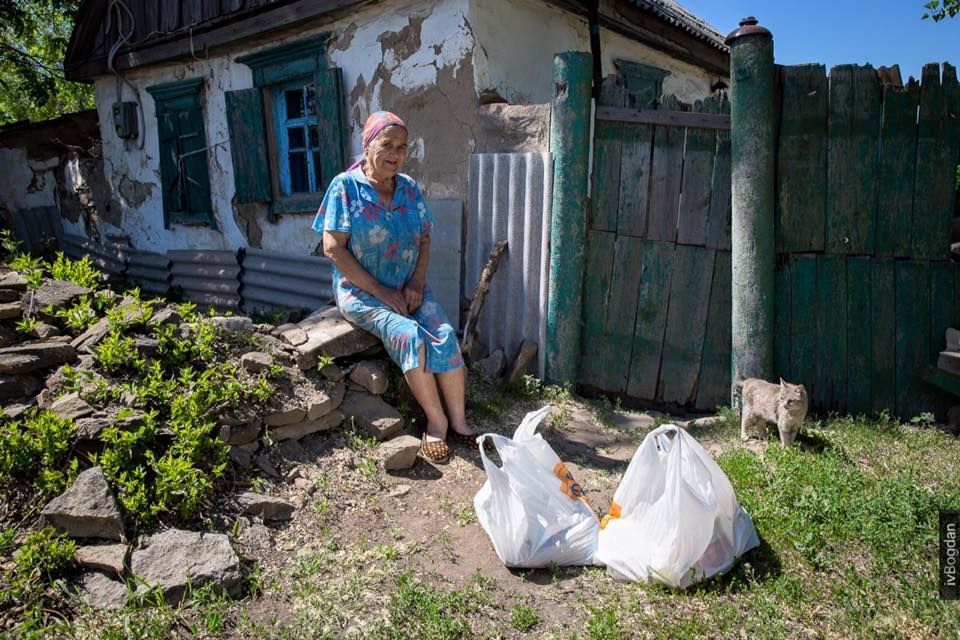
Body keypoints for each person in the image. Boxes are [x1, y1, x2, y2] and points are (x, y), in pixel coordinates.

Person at [313, 111, 475, 464]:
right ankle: (436, 422)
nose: (395, 153)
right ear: (368, 145)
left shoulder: (409, 188)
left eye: (402, 147)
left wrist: (416, 281)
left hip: (407, 286)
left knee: (445, 333)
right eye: (387, 144)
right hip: (361, 292)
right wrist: (381, 292)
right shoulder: (345, 187)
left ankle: (461, 425)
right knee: (407, 334)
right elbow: (332, 248)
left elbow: (426, 238)